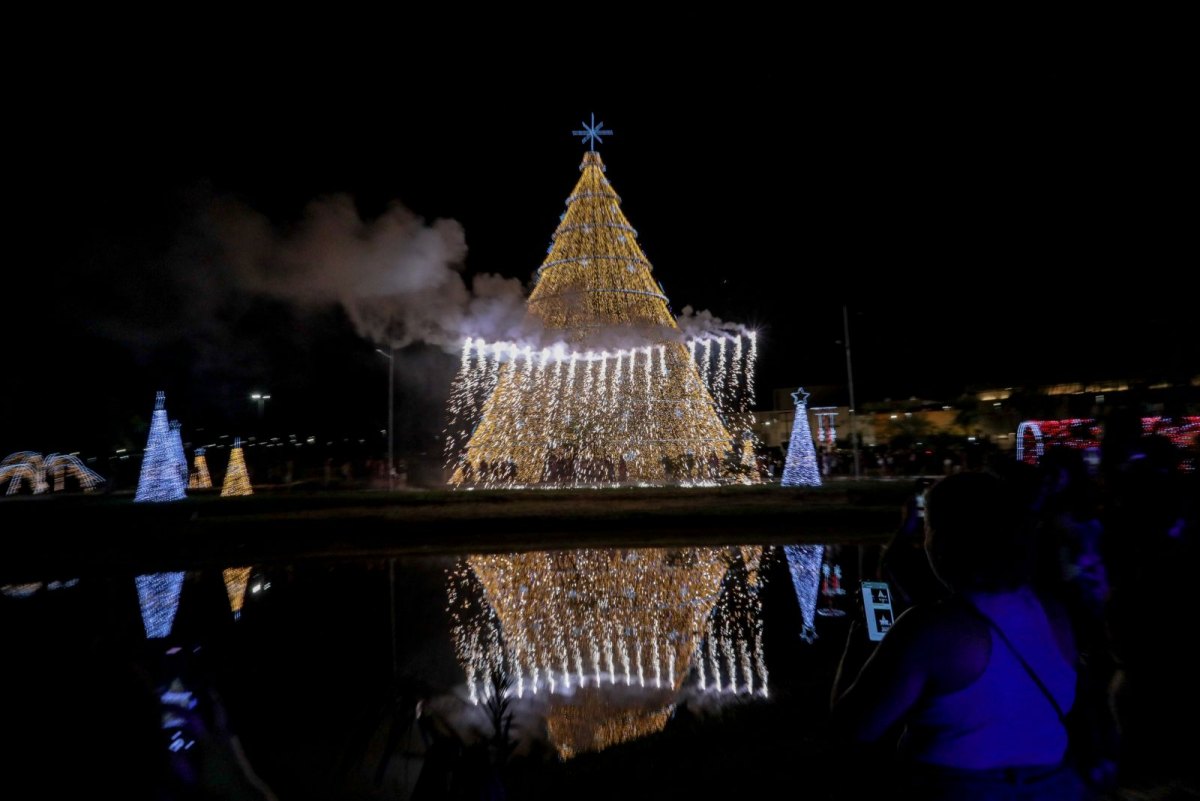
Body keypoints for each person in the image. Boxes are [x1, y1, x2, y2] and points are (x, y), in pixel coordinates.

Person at [831, 472, 1087, 800]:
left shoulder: (931, 630)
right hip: (1054, 785)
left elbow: (853, 728)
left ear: (944, 541)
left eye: (928, 529)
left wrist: (862, 638)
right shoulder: (1054, 613)